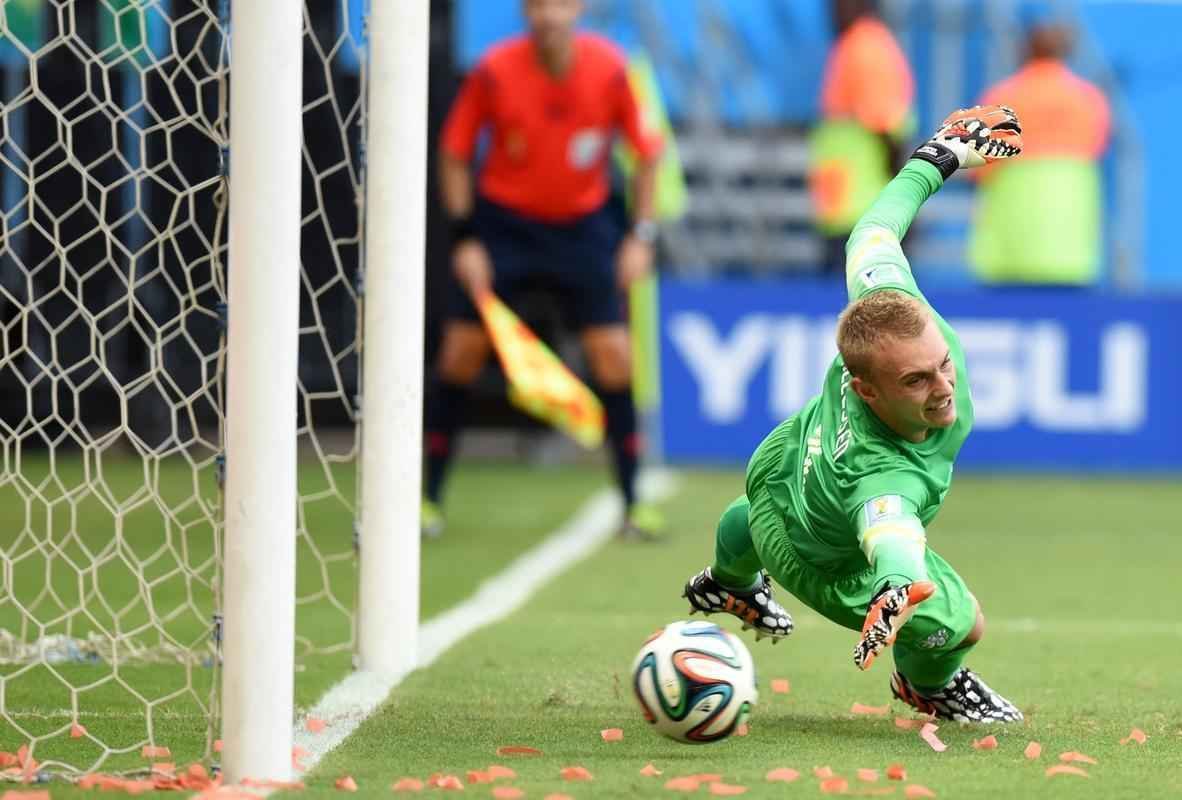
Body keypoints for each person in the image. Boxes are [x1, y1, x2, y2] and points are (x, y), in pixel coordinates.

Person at [682, 106, 1025, 723]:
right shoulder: (883, 474)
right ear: (867, 392)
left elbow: (871, 231)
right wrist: (894, 588)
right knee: (961, 620)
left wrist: (937, 158)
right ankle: (927, 686)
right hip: (824, 561)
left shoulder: (887, 308)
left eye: (942, 363)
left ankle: (728, 580)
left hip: (781, 464)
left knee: (755, 513)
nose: (944, 388)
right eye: (915, 381)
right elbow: (889, 530)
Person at [424, 0, 664, 539]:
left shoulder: (611, 69)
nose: (547, 14)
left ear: (578, 8)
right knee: (460, 354)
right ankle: (428, 501)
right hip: (504, 227)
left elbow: (649, 152)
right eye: (536, 4)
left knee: (615, 358)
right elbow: (454, 152)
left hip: (583, 229)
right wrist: (465, 239)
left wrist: (640, 236)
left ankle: (632, 503)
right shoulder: (494, 70)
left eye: (557, 3)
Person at [968, 20, 1110, 284]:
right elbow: (1096, 148)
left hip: (1010, 249)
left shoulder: (1002, 97)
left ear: (1023, 50)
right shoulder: (1089, 99)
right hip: (1070, 249)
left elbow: (978, 166)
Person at [809, 0, 915, 275]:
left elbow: (885, 126)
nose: (833, 9)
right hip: (850, 203)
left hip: (862, 206)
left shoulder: (865, 46)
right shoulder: (856, 44)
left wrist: (901, 195)